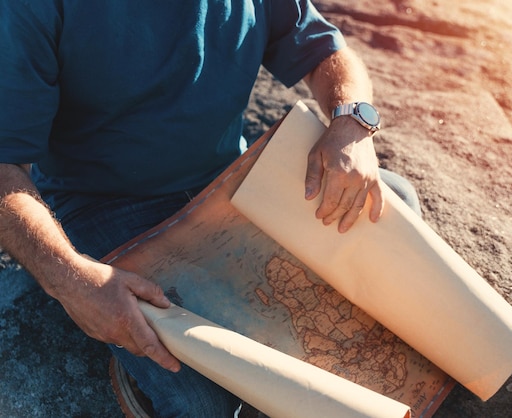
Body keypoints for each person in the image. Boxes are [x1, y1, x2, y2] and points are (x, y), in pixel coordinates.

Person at [0, 0, 419, 416]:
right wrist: (71, 280)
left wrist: (352, 125)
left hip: (229, 183)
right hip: (103, 206)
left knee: (390, 204)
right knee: (204, 405)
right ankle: (142, 367)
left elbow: (324, 50)